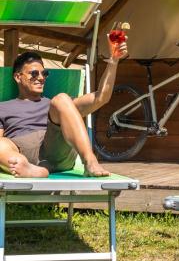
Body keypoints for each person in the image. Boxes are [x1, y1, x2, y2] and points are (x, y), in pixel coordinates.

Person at [0, 34, 127, 178]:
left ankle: (90, 161)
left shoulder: (57, 106)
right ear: (18, 77)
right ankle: (29, 169)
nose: (41, 78)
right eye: (34, 73)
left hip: (56, 148)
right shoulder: (2, 108)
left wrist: (114, 61)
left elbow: (101, 98)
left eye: (44, 73)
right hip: (21, 154)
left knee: (61, 98)